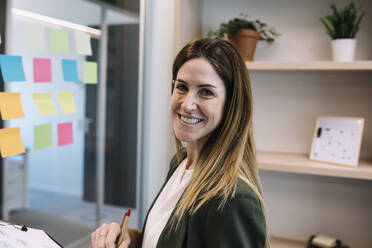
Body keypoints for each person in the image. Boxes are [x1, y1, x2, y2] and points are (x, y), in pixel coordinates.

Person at [91, 38, 269, 248]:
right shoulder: (181, 163)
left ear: (231, 105)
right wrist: (129, 237)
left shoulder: (232, 198)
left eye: (206, 92)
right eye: (182, 87)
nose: (187, 104)